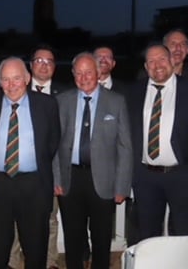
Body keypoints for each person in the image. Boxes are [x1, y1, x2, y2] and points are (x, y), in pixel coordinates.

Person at [127, 44, 188, 241]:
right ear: (145, 66)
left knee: (185, 234)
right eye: (151, 61)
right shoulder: (133, 92)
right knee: (147, 234)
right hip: (145, 177)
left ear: (171, 61)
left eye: (162, 59)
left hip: (183, 175)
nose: (157, 65)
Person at [0, 57, 60, 269]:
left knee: (35, 253)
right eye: (6, 79)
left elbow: (51, 143)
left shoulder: (47, 104)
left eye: (16, 78)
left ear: (27, 78)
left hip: (33, 186)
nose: (11, 85)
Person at [54, 52, 132, 269]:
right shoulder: (62, 101)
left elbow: (125, 147)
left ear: (98, 73)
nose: (83, 77)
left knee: (101, 237)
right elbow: (54, 144)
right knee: (72, 236)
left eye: (88, 72)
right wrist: (56, 179)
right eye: (78, 73)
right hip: (71, 179)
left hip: (104, 180)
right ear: (72, 74)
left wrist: (122, 186)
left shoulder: (115, 101)